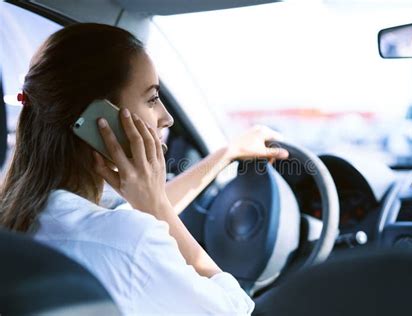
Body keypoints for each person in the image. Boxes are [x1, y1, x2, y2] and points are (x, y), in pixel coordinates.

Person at [0, 23, 288, 314]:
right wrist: (160, 209)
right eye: (152, 99)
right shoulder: (130, 242)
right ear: (99, 119)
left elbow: (124, 217)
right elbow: (235, 310)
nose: (167, 118)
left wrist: (227, 153)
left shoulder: (19, 217)